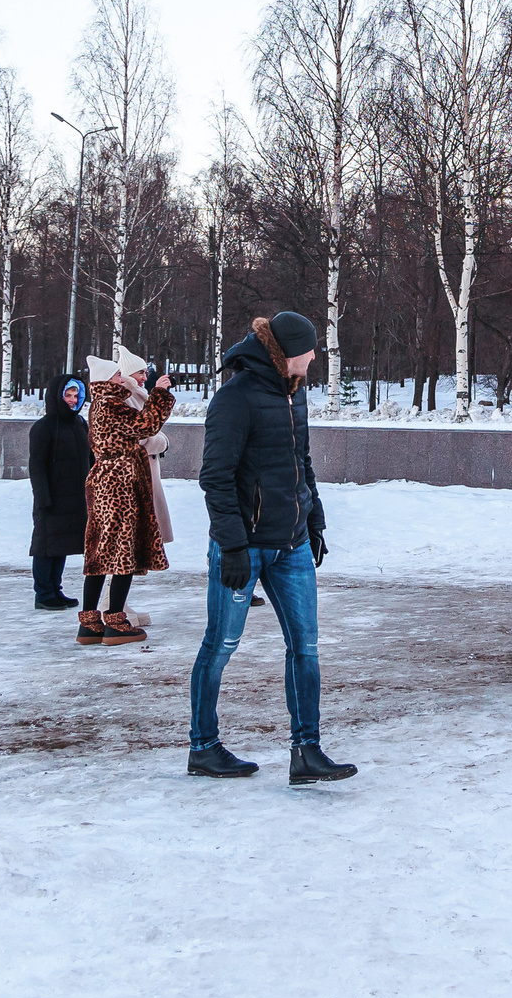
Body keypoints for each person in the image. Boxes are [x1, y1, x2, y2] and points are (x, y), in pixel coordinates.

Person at [187, 311, 357, 786]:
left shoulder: (293, 393)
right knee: (220, 645)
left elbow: (300, 462)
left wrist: (314, 515)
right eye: (310, 349)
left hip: (292, 545)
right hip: (243, 548)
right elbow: (215, 478)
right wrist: (234, 545)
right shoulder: (235, 397)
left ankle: (307, 751)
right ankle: (203, 747)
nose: (315, 357)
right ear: (287, 352)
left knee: (305, 647)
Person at [77, 346, 175, 647]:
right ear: (110, 381)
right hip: (121, 482)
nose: (125, 378)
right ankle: (116, 621)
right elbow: (146, 426)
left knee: (102, 551)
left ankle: (90, 622)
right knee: (123, 551)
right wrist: (159, 394)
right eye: (119, 375)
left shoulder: (100, 405)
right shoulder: (112, 405)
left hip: (106, 480)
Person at [27, 376, 93, 610]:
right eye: (68, 396)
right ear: (57, 397)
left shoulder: (80, 424)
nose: (72, 401)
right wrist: (43, 497)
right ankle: (43, 593)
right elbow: (37, 466)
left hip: (75, 497)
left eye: (76, 396)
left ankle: (56, 589)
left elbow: (90, 458)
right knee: (46, 546)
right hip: (52, 498)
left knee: (61, 545)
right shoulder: (43, 428)